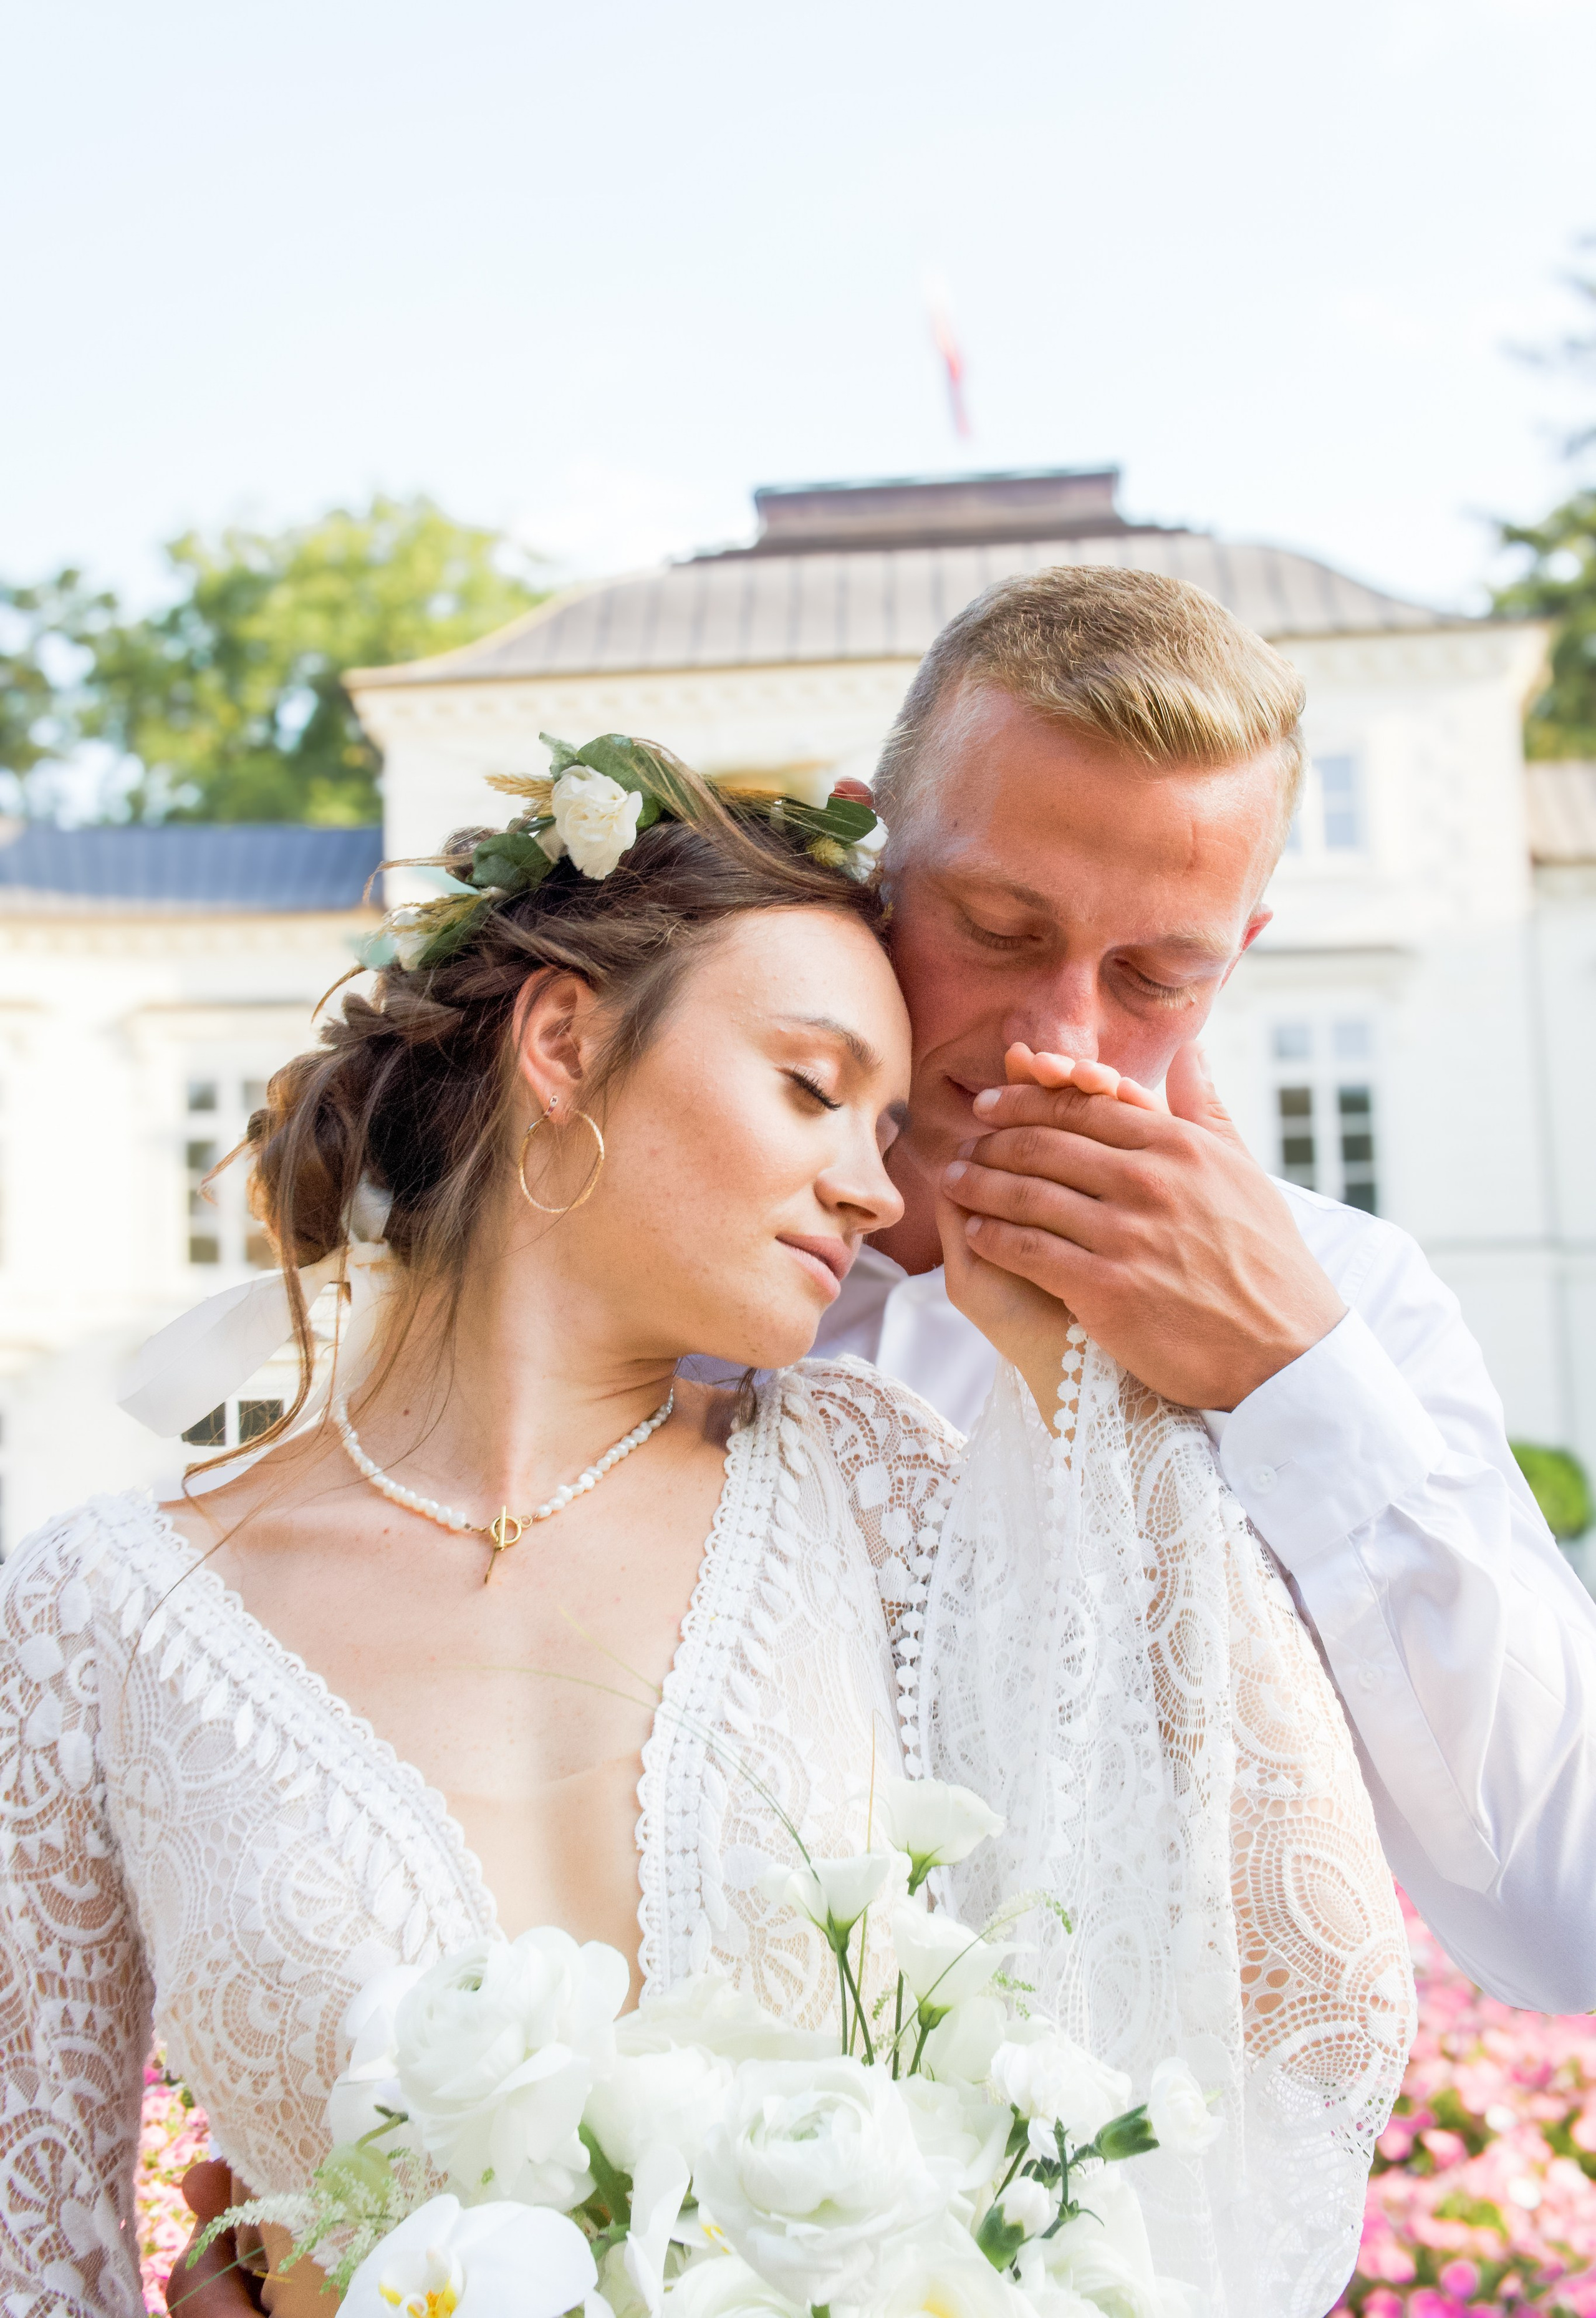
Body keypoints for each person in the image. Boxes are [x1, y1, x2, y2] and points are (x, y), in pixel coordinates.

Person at [0, 742, 1407, 2318]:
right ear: (561, 1041)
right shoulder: (92, 1618)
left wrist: (1094, 1372)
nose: (876, 1193)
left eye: (890, 1130)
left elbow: (1304, 1988)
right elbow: (28, 2241)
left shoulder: (874, 1496)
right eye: (813, 1088)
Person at [812, 563, 1596, 2018]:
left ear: (1239, 954)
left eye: (1156, 977)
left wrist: (1291, 1372)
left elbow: (1566, 1918)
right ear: (875, 857)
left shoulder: (1355, 1296)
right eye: (996, 929)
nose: (1061, 1041)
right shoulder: (685, 1268)